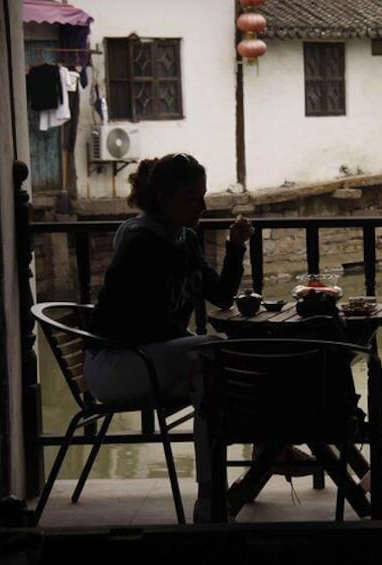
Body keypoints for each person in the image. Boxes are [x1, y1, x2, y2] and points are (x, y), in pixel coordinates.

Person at [83, 152, 254, 522]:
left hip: (149, 356)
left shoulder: (185, 240)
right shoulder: (140, 243)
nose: (203, 206)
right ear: (163, 198)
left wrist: (236, 245)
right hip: (117, 362)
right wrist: (192, 343)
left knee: (210, 380)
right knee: (215, 356)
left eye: (203, 195)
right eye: (192, 198)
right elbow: (145, 323)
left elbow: (221, 295)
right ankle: (239, 476)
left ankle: (216, 496)